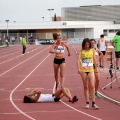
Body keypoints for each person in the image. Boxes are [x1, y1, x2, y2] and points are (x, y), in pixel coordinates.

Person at [77, 38, 99, 109]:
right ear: (83, 44)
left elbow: (94, 60)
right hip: (83, 70)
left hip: (91, 70)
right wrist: (79, 69)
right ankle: (87, 102)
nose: (87, 46)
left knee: (92, 86)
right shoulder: (81, 51)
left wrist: (95, 69)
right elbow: (78, 61)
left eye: (88, 44)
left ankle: (93, 102)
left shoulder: (92, 50)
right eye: (86, 44)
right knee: (85, 86)